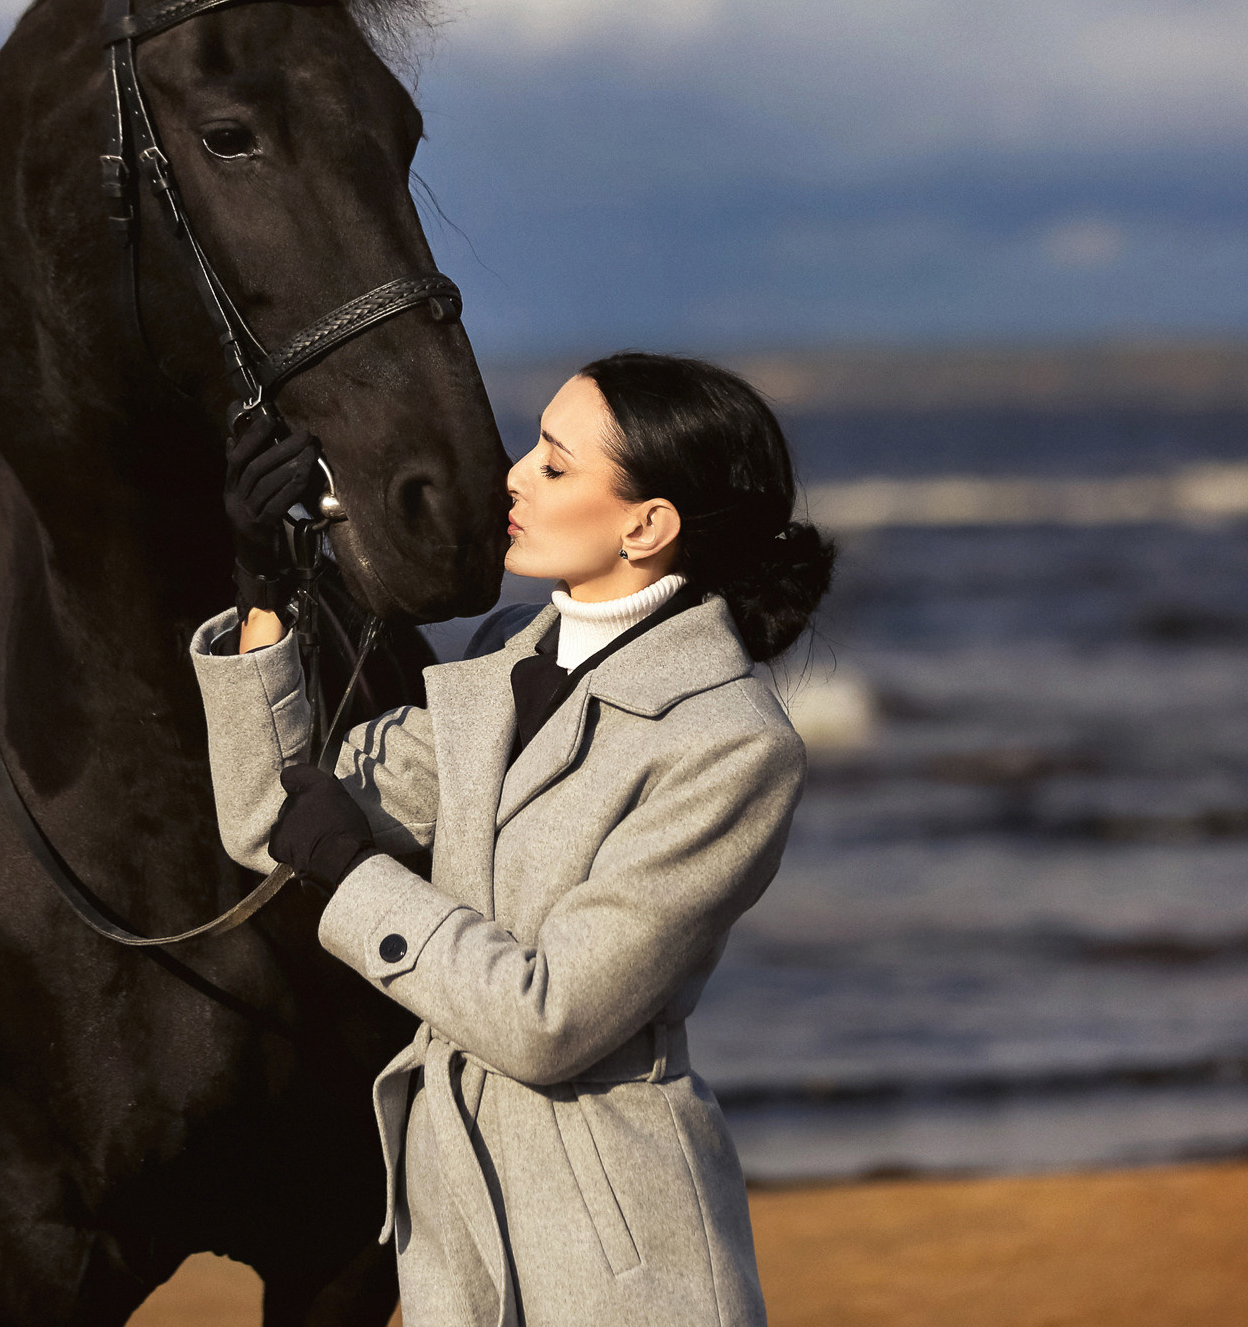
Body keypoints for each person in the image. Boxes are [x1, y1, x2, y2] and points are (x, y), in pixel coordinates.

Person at [187, 350, 836, 1327]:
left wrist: (355, 872)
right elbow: (270, 819)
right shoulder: (502, 663)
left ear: (646, 524)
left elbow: (551, 1021)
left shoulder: (731, 744)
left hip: (620, 1261)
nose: (513, 478)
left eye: (554, 462)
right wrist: (265, 589)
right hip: (451, 1232)